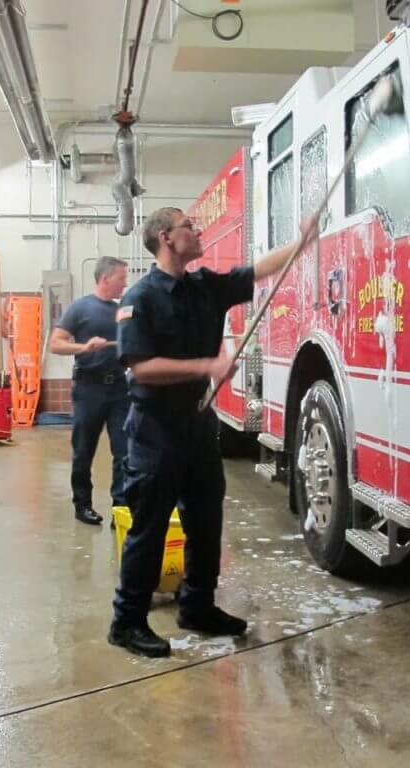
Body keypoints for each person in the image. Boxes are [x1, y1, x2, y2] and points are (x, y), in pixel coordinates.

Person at [108, 207, 306, 657]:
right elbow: (141, 369)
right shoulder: (139, 299)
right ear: (165, 238)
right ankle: (127, 622)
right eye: (188, 227)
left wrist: (302, 242)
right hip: (155, 429)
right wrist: (208, 366)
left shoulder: (205, 287)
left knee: (205, 520)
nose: (197, 232)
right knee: (150, 527)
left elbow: (255, 271)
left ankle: (197, 605)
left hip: (198, 424)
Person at [50, 256, 130, 526]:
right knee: (84, 450)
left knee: (124, 451)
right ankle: (82, 505)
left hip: (120, 388)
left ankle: (121, 507)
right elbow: (55, 344)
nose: (125, 283)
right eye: (121, 278)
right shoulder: (80, 308)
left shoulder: (123, 310)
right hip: (89, 388)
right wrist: (83, 348)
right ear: (105, 278)